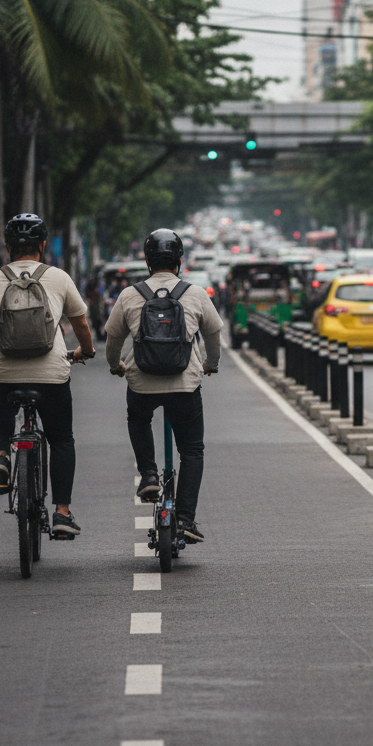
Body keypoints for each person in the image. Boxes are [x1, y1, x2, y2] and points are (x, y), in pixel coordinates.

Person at [0, 213, 95, 538]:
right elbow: (80, 323)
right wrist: (86, 350)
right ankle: (62, 513)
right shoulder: (59, 277)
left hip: (4, 369)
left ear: (8, 246)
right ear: (43, 245)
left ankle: (0, 456)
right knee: (61, 438)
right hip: (51, 372)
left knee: (1, 408)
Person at [105, 228, 222, 545]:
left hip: (142, 382)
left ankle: (149, 475)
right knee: (192, 450)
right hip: (184, 385)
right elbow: (214, 334)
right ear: (179, 261)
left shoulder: (131, 295)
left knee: (139, 418)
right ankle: (184, 519)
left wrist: (116, 365)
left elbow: (113, 338)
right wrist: (212, 363)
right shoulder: (195, 294)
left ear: (146, 260)